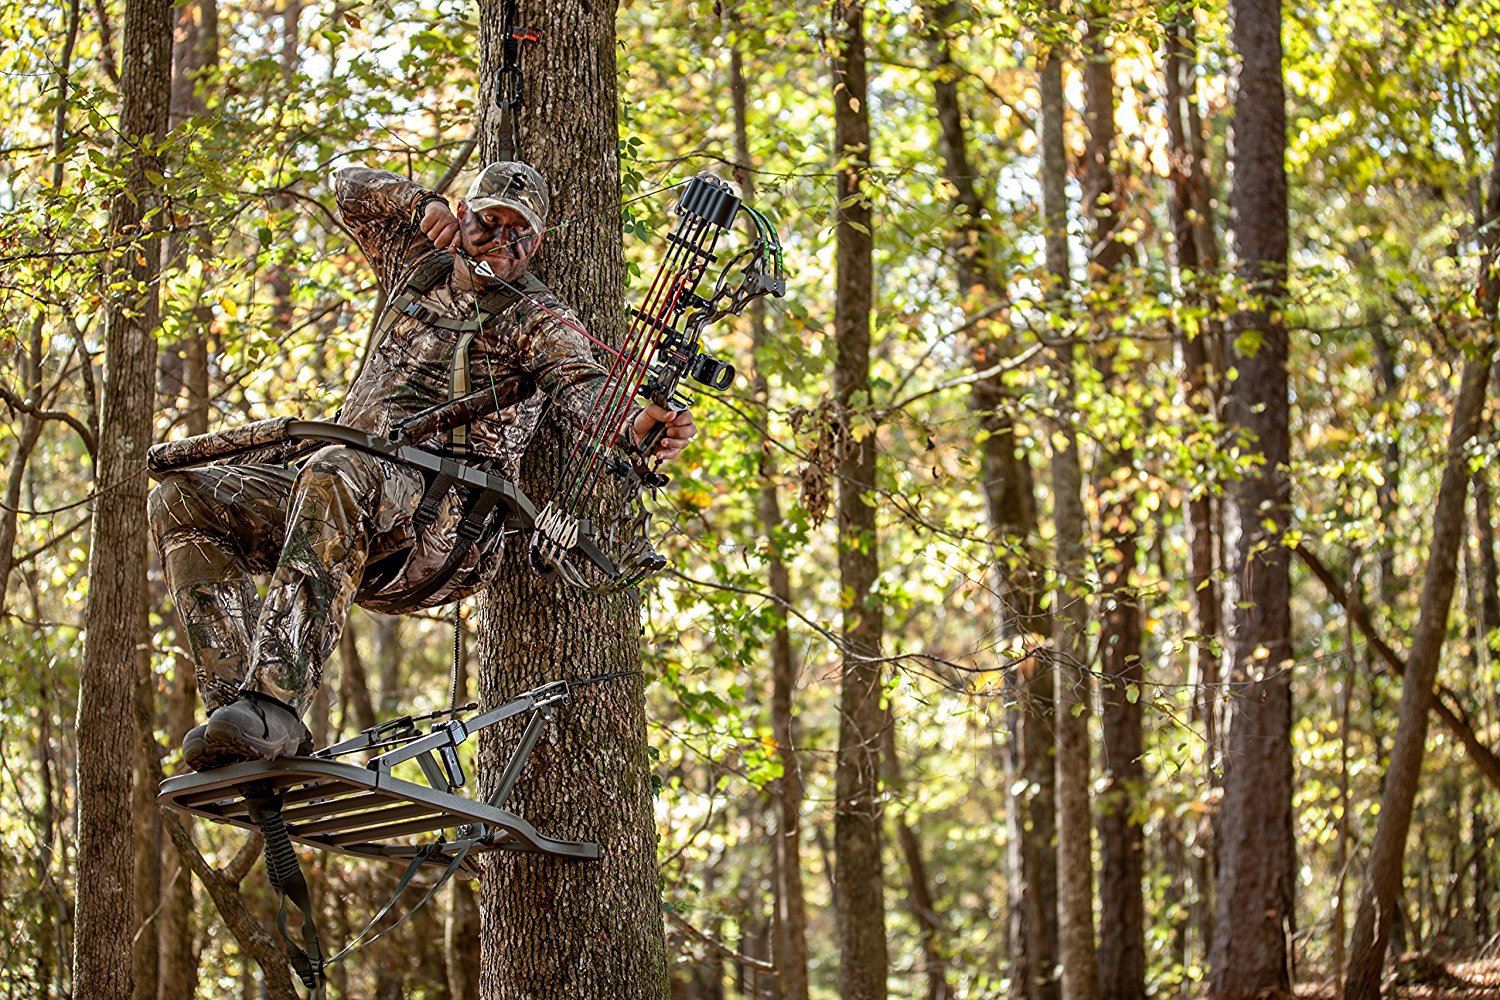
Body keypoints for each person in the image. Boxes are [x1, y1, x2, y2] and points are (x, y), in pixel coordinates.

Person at [149, 161, 696, 771]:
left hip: (435, 530)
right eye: (490, 221)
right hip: (335, 502)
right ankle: (240, 719)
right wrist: (420, 204)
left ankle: (274, 701)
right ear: (465, 217)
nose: (502, 242)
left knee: (335, 468)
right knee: (180, 495)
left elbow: (588, 389)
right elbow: (345, 185)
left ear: (537, 243)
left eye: (522, 232)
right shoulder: (416, 264)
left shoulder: (539, 319)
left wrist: (638, 426)